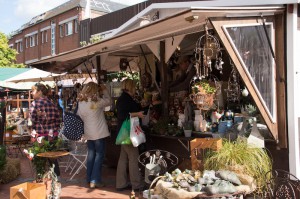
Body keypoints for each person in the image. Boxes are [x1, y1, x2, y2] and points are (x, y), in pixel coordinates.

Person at [76, 82, 112, 189]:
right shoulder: (96, 102)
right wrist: (105, 89)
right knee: (99, 155)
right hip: (99, 133)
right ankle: (95, 180)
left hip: (88, 133)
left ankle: (89, 178)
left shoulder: (81, 103)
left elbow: (79, 116)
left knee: (91, 155)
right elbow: (109, 101)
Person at [116, 79, 145, 192]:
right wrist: (137, 114)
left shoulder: (124, 98)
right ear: (131, 87)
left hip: (123, 132)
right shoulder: (125, 99)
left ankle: (121, 183)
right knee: (133, 157)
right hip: (128, 133)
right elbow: (122, 115)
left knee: (123, 158)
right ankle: (136, 184)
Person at [29, 83, 62, 178]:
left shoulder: (35, 104)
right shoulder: (52, 103)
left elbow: (31, 122)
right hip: (52, 135)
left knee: (40, 159)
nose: (31, 93)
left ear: (39, 92)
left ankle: (41, 179)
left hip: (40, 137)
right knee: (52, 158)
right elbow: (58, 120)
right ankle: (56, 178)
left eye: (33, 91)